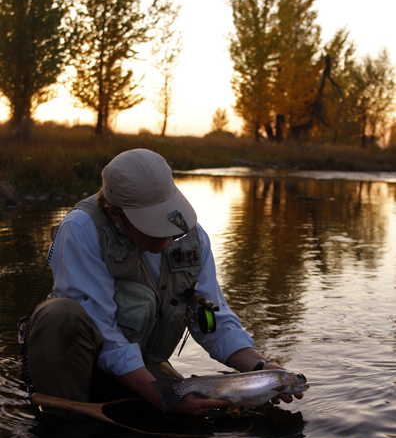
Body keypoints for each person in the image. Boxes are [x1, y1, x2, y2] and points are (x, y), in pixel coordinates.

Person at [27, 149, 303, 415]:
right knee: (59, 315)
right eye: (151, 224)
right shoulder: (82, 229)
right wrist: (160, 397)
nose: (167, 236)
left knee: (196, 415)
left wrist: (263, 370)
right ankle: (64, 422)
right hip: (80, 362)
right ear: (114, 213)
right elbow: (105, 333)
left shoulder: (194, 239)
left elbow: (213, 322)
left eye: (167, 219)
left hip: (144, 365)